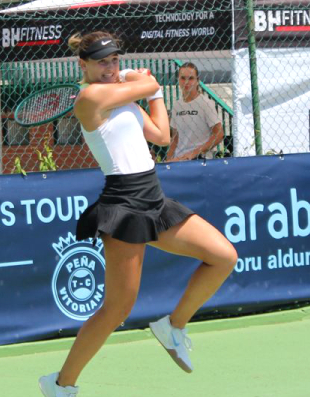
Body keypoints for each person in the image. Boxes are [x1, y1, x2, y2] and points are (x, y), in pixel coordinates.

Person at [39, 32, 238, 397]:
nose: (111, 68)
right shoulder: (89, 97)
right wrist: (142, 81)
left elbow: (162, 135)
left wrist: (157, 93)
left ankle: (173, 327)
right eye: (102, 62)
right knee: (116, 309)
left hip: (154, 198)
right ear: (82, 65)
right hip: (124, 204)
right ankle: (60, 384)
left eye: (115, 60)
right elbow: (143, 83)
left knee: (224, 256)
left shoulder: (123, 97)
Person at [165, 63, 224, 162]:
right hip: (179, 160)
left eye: (191, 78)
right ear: (178, 80)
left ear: (197, 81)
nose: (186, 82)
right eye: (183, 78)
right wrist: (168, 161)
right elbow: (175, 138)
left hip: (200, 160)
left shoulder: (206, 103)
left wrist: (194, 153)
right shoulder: (176, 106)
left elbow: (219, 134)